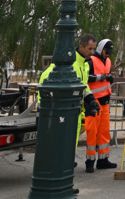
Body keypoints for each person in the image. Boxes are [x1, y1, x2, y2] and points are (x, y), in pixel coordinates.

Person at [37, 33, 100, 177]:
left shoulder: (84, 64)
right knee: (61, 144)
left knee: (70, 143)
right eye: (90, 49)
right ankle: (58, 173)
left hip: (74, 111)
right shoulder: (68, 64)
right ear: (81, 46)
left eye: (93, 49)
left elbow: (83, 86)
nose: (92, 52)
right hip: (62, 112)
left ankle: (65, 169)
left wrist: (91, 99)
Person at [84, 38, 117, 172]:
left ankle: (103, 160)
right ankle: (90, 162)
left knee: (104, 131)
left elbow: (104, 76)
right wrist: (101, 77)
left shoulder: (108, 61)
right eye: (106, 51)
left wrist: (109, 77)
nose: (108, 54)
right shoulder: (90, 60)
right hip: (93, 101)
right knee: (92, 132)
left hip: (105, 100)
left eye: (109, 52)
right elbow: (85, 78)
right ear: (100, 49)